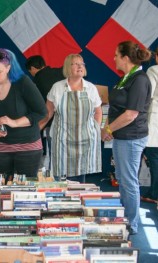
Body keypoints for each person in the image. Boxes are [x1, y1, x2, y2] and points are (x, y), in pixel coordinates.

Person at [101, 41, 152, 235]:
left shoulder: (139, 79)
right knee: (123, 179)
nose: (113, 58)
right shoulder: (125, 79)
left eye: (116, 55)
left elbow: (131, 114)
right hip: (122, 137)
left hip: (131, 138)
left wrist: (108, 129)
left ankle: (131, 223)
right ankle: (125, 217)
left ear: (125, 58)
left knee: (129, 181)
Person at [0, 48, 47, 179]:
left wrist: (14, 123)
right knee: (2, 187)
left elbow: (41, 112)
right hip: (0, 148)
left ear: (8, 68)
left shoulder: (23, 82)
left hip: (28, 146)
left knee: (26, 190)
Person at [40, 54, 102, 183]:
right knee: (60, 177)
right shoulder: (57, 87)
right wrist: (36, 130)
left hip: (85, 140)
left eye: (82, 63)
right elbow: (48, 112)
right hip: (61, 139)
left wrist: (95, 131)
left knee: (80, 179)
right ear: (68, 67)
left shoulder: (91, 88)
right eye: (76, 63)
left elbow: (98, 112)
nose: (80, 66)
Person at [25, 55, 65, 167]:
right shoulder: (60, 72)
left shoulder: (36, 81)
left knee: (54, 155)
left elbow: (38, 106)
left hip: (50, 122)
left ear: (33, 68)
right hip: (68, 120)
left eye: (30, 71)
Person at [142, 48, 158, 203]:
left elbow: (148, 94)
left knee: (155, 160)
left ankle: (154, 194)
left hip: (155, 122)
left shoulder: (154, 70)